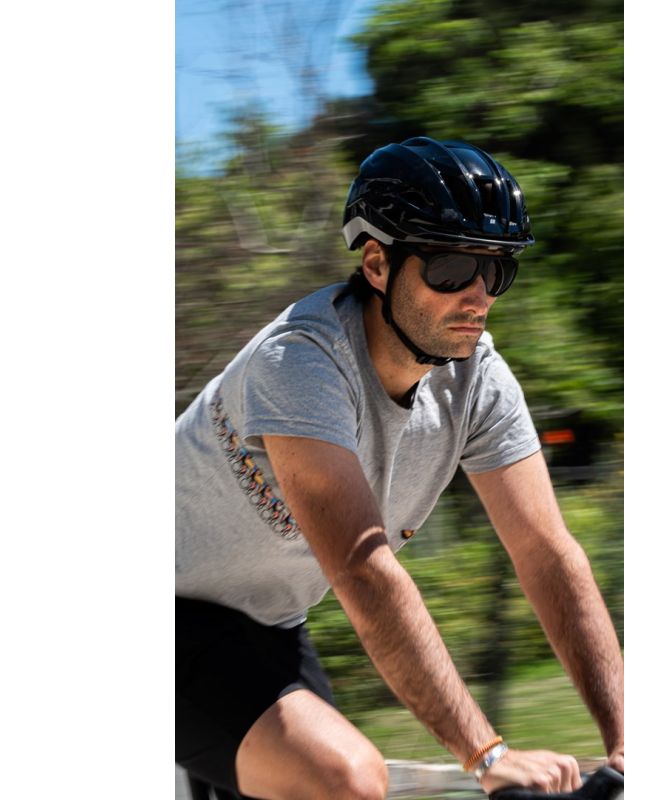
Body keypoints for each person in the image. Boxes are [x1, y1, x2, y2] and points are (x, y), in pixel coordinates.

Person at [176, 136, 624, 800]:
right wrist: (487, 755)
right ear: (379, 264)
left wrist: (626, 740)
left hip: (267, 623)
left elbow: (546, 551)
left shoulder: (477, 380)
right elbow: (363, 569)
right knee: (347, 778)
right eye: (451, 267)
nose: (478, 296)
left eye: (497, 270)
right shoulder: (299, 362)